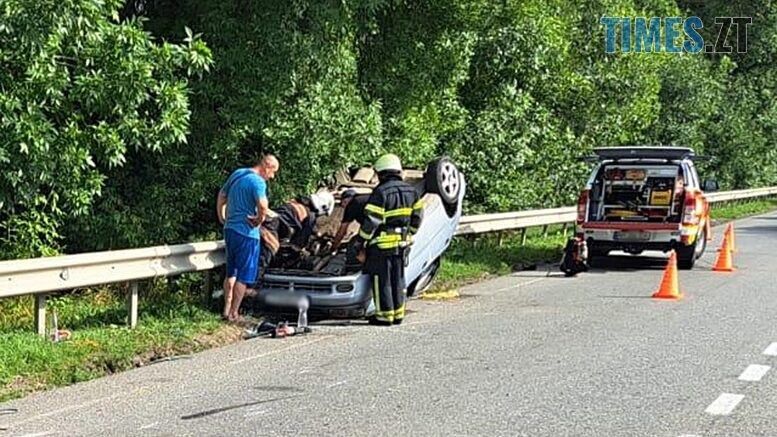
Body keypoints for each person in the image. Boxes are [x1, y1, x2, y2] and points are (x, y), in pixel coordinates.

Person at [352, 154, 424, 326]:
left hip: (382, 245)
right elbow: (418, 217)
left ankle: (384, 316)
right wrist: (409, 233)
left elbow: (372, 221)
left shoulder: (381, 192)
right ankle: (398, 315)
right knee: (398, 279)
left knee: (382, 281)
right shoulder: (412, 191)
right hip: (401, 244)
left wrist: (360, 241)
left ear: (381, 173)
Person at [216, 154, 279, 322]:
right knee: (243, 276)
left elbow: (222, 196)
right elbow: (263, 206)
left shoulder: (238, 173)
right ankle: (234, 314)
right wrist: (259, 220)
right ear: (266, 167)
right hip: (247, 233)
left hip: (230, 230)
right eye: (273, 172)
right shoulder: (258, 182)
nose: (272, 177)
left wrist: (222, 216)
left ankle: (226, 309)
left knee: (231, 272)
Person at [258, 192, 335, 273]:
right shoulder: (310, 216)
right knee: (259, 269)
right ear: (323, 207)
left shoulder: (294, 203)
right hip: (270, 234)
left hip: (260, 227)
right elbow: (298, 245)